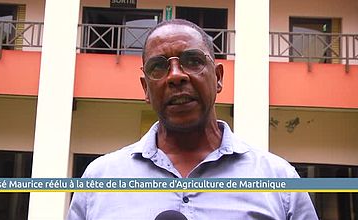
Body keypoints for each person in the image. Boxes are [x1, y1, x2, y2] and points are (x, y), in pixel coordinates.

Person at [67, 19, 318, 220]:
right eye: (158, 67)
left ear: (218, 77)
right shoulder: (99, 180)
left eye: (193, 61)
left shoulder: (278, 180)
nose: (176, 76)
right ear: (145, 89)